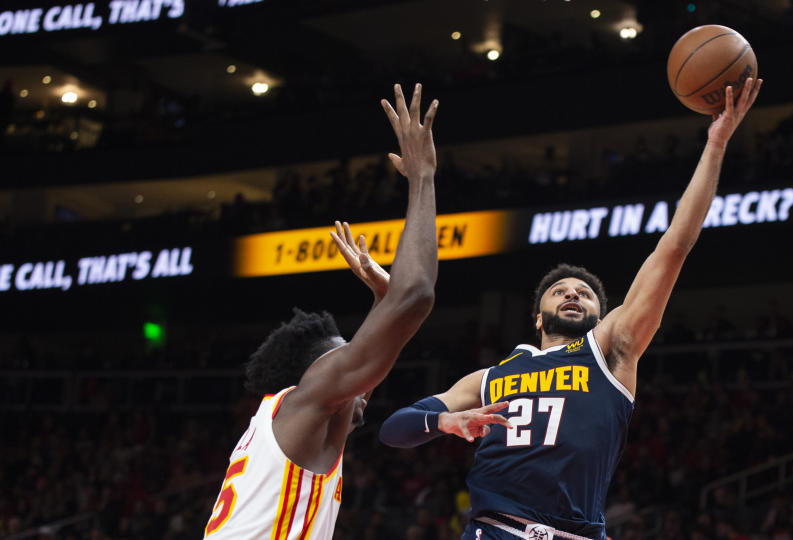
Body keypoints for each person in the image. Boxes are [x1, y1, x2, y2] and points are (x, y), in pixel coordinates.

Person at [379, 78, 763, 540]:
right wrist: (444, 420)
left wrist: (716, 144)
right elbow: (393, 430)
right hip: (497, 531)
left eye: (584, 292)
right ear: (538, 317)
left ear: (602, 317)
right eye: (560, 290)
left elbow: (674, 245)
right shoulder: (486, 380)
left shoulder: (611, 350)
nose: (573, 294)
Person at [203, 83, 439, 539]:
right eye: (345, 358)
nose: (362, 384)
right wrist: (423, 178)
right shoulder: (306, 403)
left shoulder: (293, 420)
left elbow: (398, 322)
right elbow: (417, 297)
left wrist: (383, 298)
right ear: (318, 373)